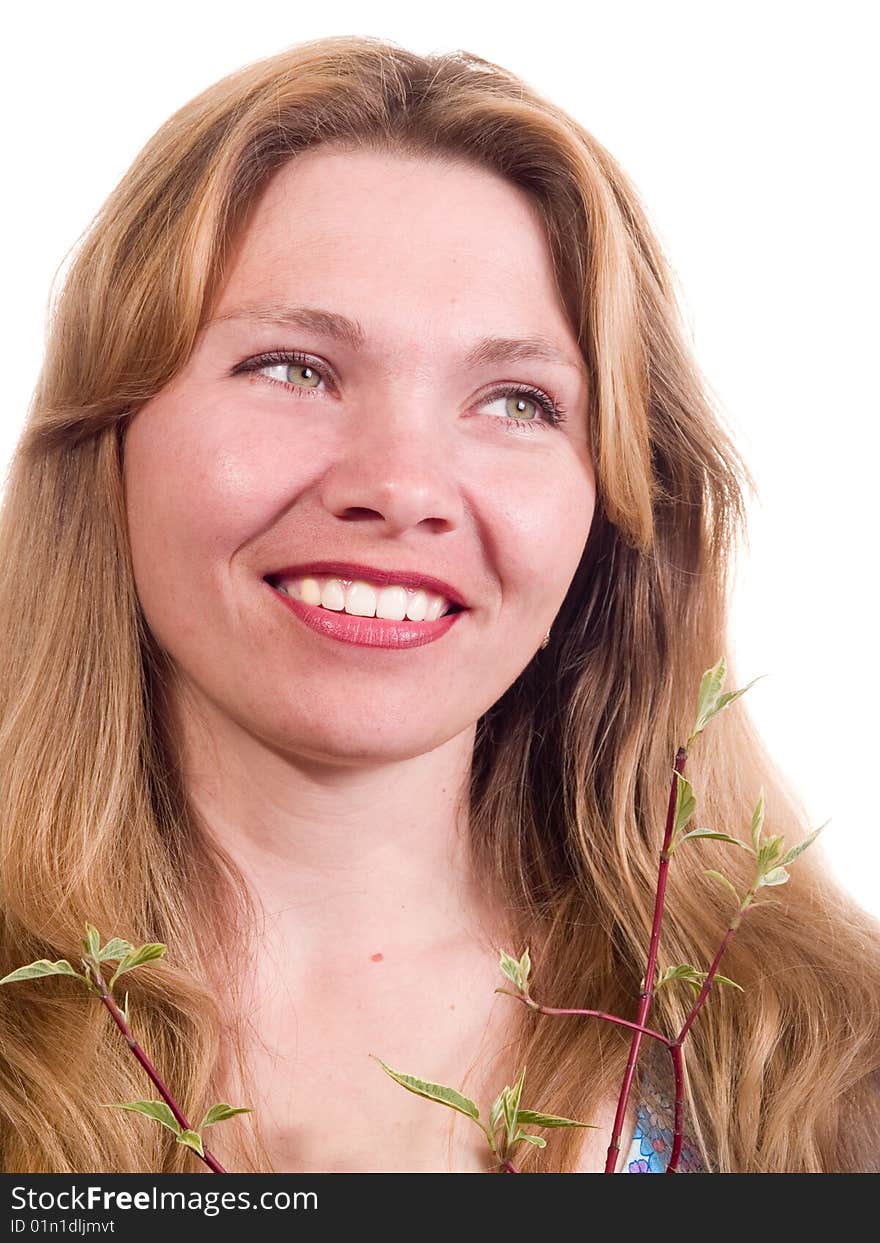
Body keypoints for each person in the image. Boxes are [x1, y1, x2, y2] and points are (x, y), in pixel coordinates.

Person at [0, 35, 877, 1176]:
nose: (401, 487)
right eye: (292, 367)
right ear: (109, 440)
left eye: (516, 400)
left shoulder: (821, 1075)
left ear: (613, 505)